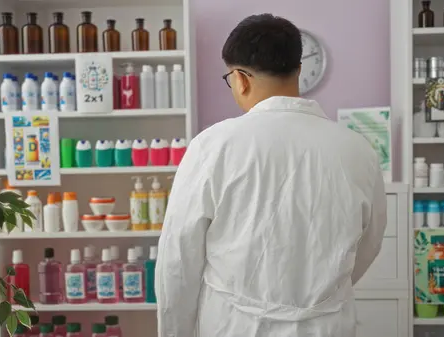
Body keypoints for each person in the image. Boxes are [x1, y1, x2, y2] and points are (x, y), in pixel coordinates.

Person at [155, 13, 387, 337]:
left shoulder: (213, 146)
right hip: (327, 325)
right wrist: (317, 296)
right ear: (298, 69)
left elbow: (178, 260)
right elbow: (370, 243)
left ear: (241, 79)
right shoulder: (358, 149)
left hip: (234, 325)